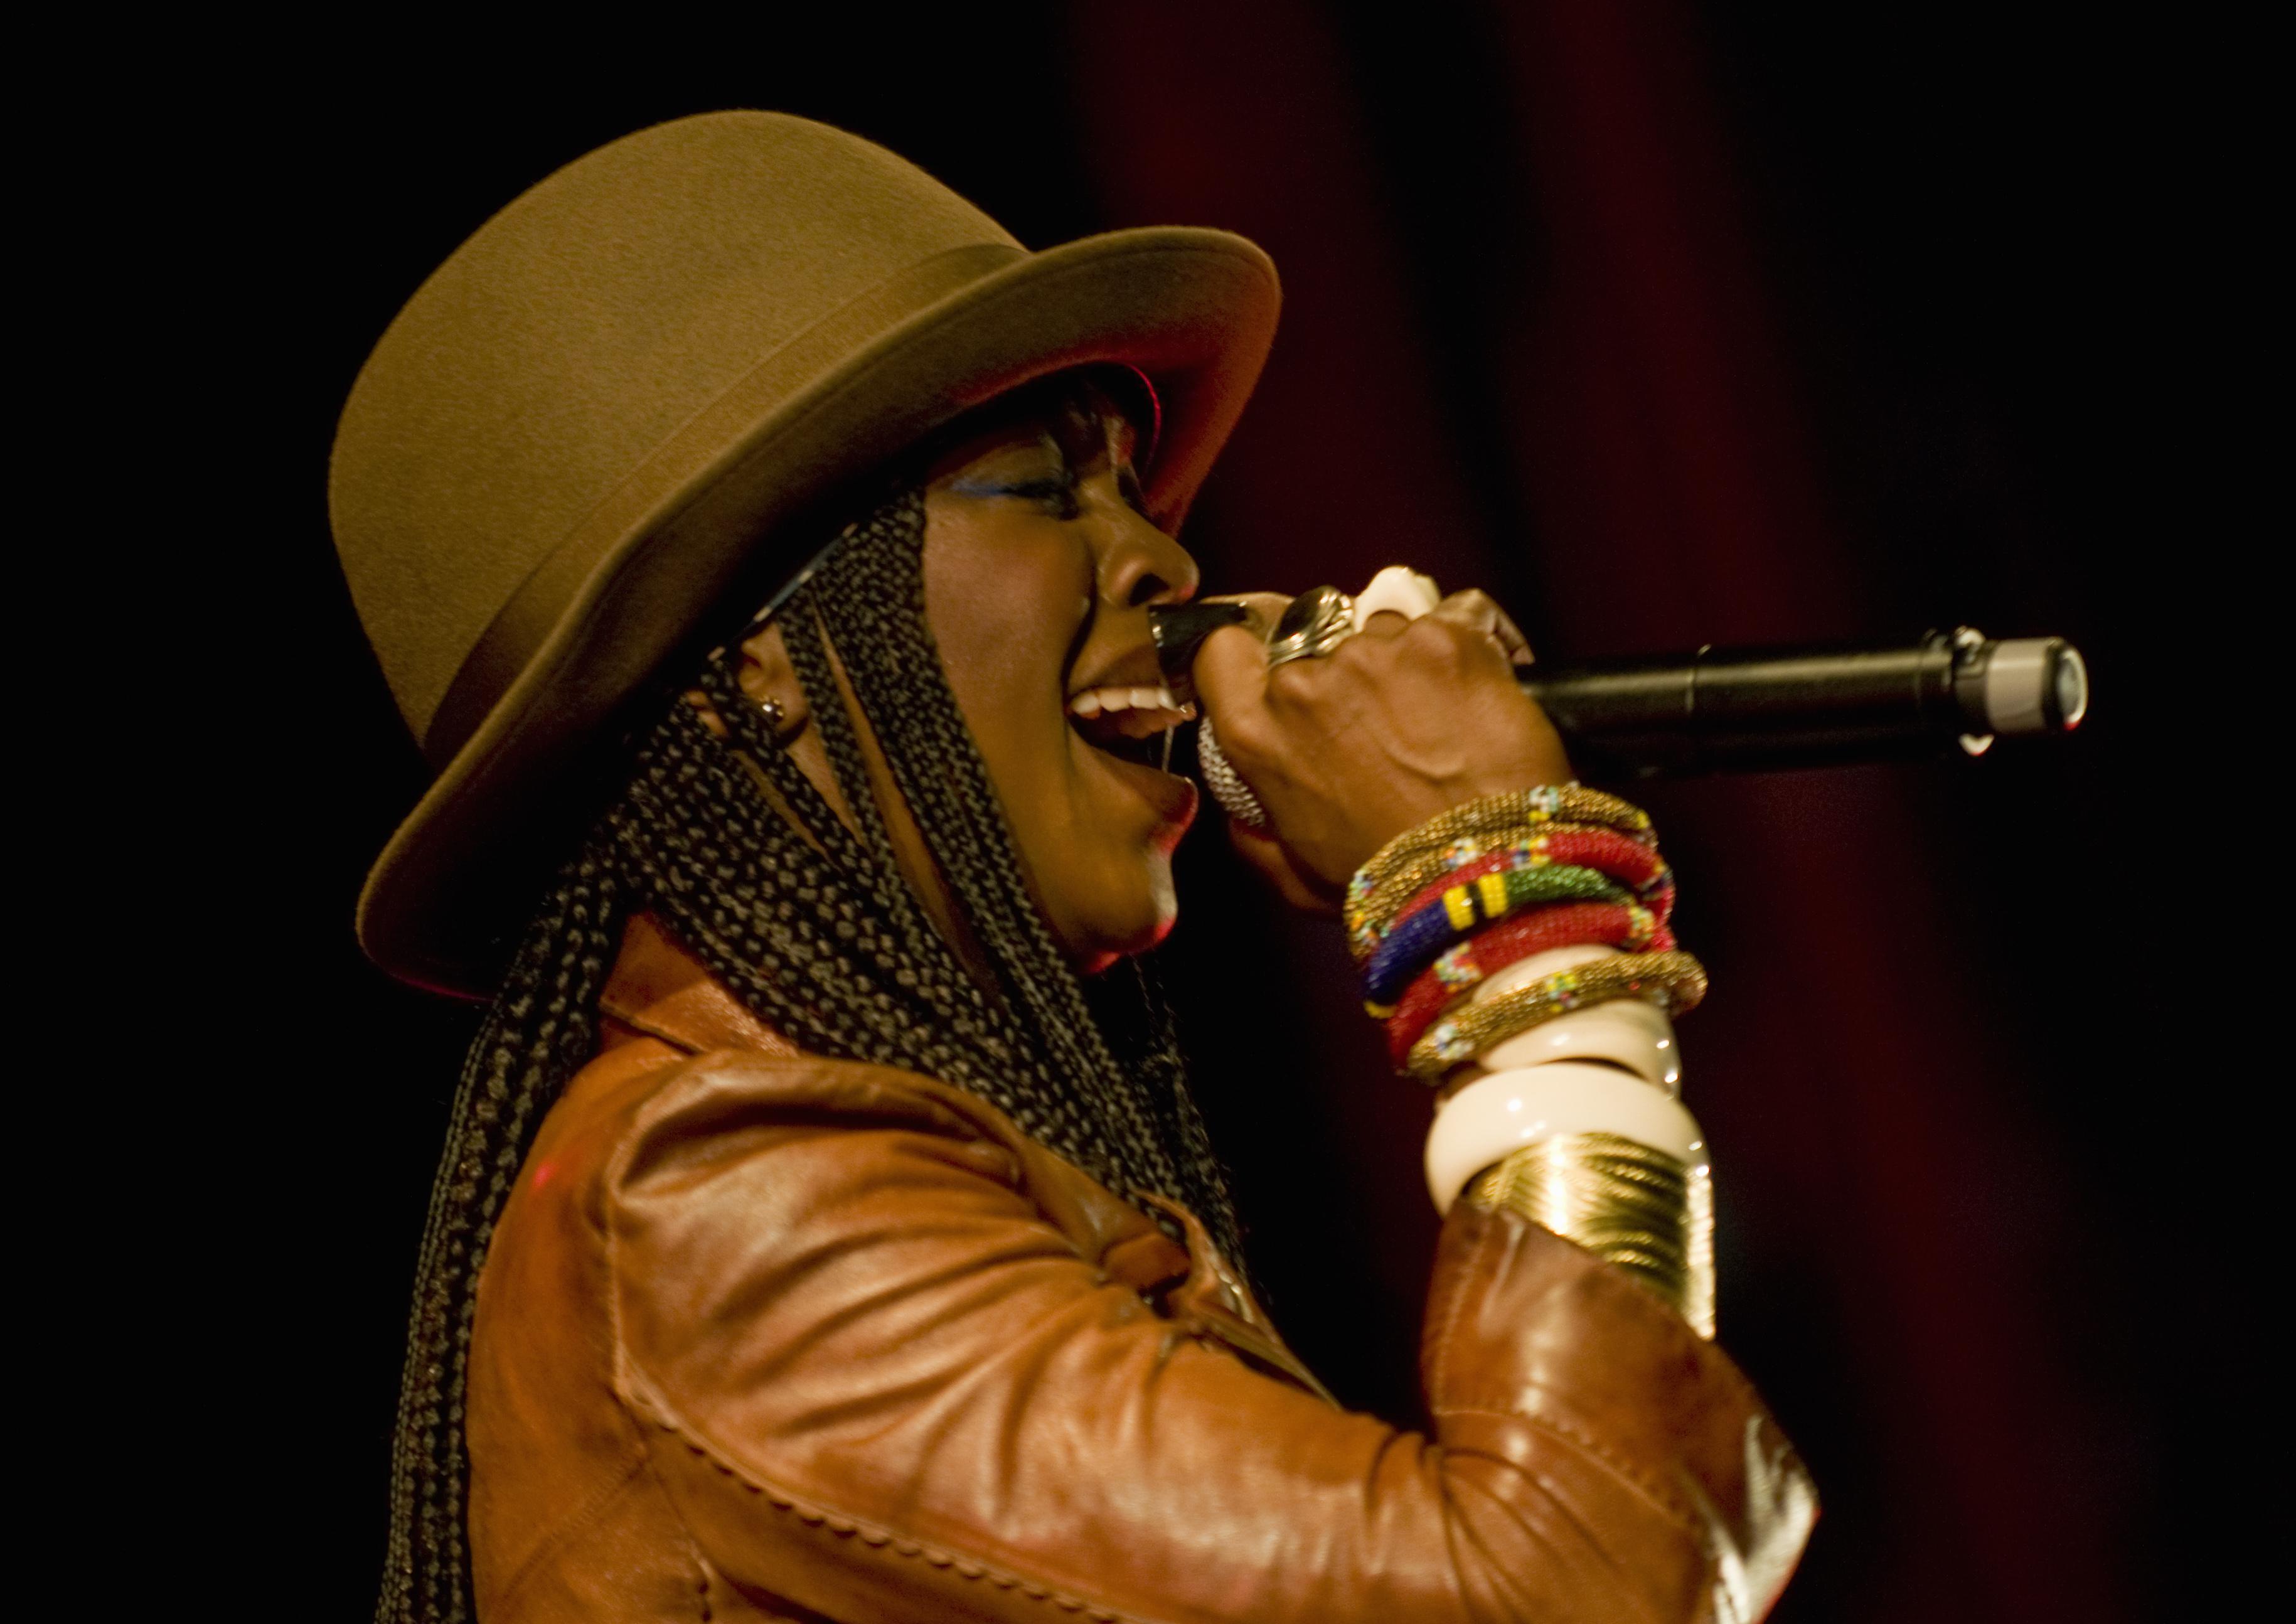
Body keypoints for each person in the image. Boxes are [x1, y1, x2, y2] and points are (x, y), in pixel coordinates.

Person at [337, 111, 1813, 1623]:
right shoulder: (724, 1207)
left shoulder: (880, 1162)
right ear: (759, 664)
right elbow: (1584, 1584)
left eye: (1134, 487)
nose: (1165, 564)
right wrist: (1515, 918)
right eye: (1043, 489)